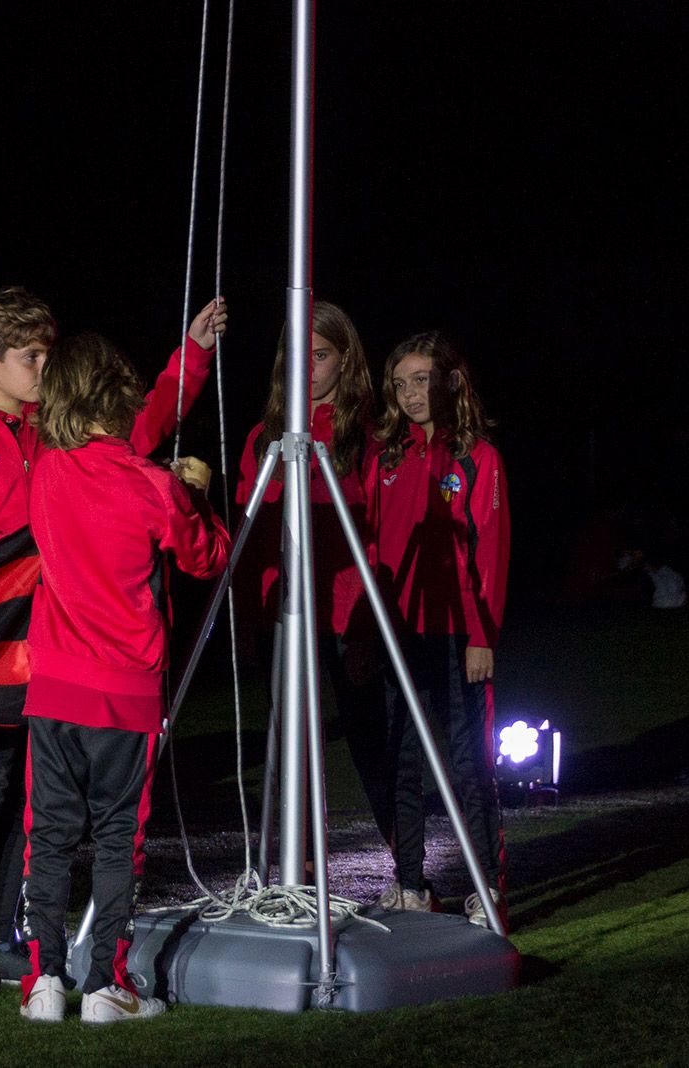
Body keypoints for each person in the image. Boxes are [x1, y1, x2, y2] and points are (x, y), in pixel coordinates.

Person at [0, 287, 227, 1000]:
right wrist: (13, 549)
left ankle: (5, 940)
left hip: (53, 655)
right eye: (32, 357)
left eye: (51, 354)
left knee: (36, 808)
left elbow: (135, 431)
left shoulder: (56, 441)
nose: (46, 367)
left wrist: (194, 356)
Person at [17, 333, 231, 1023]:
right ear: (118, 396)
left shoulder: (47, 470)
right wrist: (193, 494)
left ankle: (44, 981)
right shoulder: (151, 484)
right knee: (117, 840)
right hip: (124, 690)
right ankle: (106, 986)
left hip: (53, 685)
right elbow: (207, 557)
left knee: (48, 836)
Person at [233, 302, 392, 868]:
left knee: (372, 740)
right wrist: (251, 618)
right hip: (286, 613)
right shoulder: (264, 437)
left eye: (320, 355)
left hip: (349, 615)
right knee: (290, 746)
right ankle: (296, 871)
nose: (308, 368)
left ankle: (412, 868)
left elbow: (379, 536)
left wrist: (369, 626)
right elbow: (251, 538)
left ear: (344, 359)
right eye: (297, 356)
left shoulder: (366, 436)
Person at [366, 331, 510, 927]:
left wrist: (482, 636)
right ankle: (409, 884)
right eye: (399, 384)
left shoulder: (476, 456)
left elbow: (490, 552)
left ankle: (485, 888)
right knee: (401, 760)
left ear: (449, 380)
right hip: (402, 635)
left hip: (458, 633)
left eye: (420, 379)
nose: (409, 394)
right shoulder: (388, 455)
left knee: (467, 762)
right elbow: (372, 547)